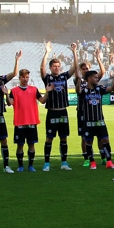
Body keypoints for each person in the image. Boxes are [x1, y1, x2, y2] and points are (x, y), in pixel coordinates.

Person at [40, 42, 79, 171]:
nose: (57, 68)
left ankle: (64, 163)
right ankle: (47, 163)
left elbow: (75, 68)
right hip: (52, 112)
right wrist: (47, 52)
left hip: (63, 112)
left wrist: (74, 51)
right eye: (54, 66)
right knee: (49, 138)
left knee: (64, 138)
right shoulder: (48, 78)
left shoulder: (63, 76)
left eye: (58, 66)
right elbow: (42, 70)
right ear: (51, 68)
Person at [76, 60, 114, 169]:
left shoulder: (99, 89)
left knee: (105, 140)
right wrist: (78, 80)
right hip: (88, 122)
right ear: (89, 78)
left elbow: (112, 89)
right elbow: (78, 91)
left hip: (100, 120)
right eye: (95, 77)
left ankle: (109, 161)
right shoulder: (84, 91)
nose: (97, 79)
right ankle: (92, 162)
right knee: (88, 142)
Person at [8, 69, 45, 172]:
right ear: (19, 78)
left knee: (31, 144)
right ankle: (20, 166)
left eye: (27, 77)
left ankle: (30, 165)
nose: (25, 79)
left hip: (31, 121)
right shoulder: (14, 91)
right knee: (20, 145)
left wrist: (48, 92)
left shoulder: (34, 89)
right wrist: (6, 95)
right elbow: (10, 103)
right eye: (23, 77)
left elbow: (42, 101)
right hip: (19, 122)